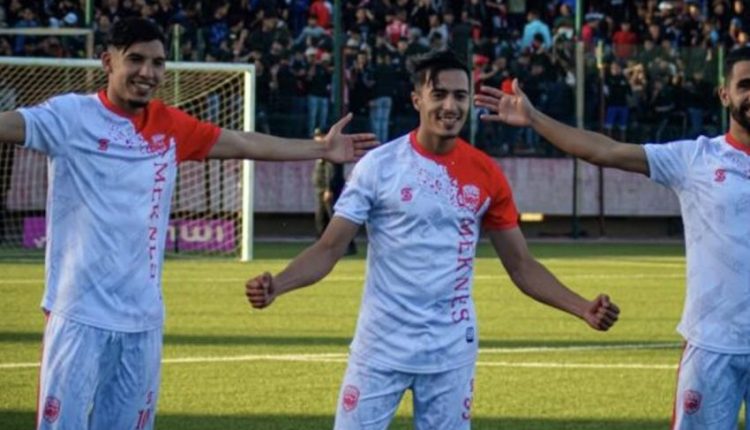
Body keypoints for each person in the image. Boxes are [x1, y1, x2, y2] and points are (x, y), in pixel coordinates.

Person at [0, 18, 376, 430]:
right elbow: (9, 124)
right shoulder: (70, 116)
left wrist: (320, 149)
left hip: (143, 320)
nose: (148, 72)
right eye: (135, 60)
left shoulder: (170, 125)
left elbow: (243, 142)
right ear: (107, 61)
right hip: (78, 316)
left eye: (158, 63)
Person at [245, 50, 620, 430]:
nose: (450, 106)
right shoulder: (379, 166)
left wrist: (582, 308)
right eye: (439, 94)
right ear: (417, 100)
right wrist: (279, 284)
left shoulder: (486, 174)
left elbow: (521, 265)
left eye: (460, 96)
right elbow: (329, 249)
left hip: (450, 355)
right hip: (380, 349)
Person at [475, 45, 750, 430]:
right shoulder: (696, 159)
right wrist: (535, 118)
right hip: (711, 345)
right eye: (745, 85)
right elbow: (605, 151)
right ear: (725, 94)